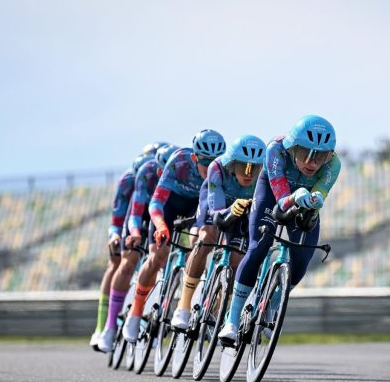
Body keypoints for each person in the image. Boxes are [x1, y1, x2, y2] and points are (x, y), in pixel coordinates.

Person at [218, 115, 341, 342]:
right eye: (306, 154)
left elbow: (320, 193)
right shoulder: (275, 150)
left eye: (320, 156)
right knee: (259, 246)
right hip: (273, 194)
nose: (312, 163)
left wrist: (316, 200)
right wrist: (294, 197)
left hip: (302, 200)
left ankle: (273, 304)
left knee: (302, 258)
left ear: (329, 155)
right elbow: (282, 201)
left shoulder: (334, 165)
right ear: (292, 148)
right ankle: (232, 320)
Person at [121, 130, 226, 343]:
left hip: (195, 206)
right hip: (169, 205)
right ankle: (135, 312)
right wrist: (160, 226)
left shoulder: (221, 169)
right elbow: (156, 202)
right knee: (158, 255)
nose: (210, 167)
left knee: (202, 241)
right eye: (205, 162)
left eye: (214, 161)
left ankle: (192, 299)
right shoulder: (179, 162)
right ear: (195, 158)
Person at [169, 135, 267, 330]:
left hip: (243, 208)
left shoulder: (265, 175)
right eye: (243, 167)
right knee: (206, 238)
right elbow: (216, 215)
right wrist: (230, 211)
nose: (249, 173)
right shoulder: (217, 168)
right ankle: (183, 306)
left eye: (254, 168)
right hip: (216, 203)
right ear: (232, 164)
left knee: (238, 258)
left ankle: (221, 307)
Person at [96, 144, 178, 352]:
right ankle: (108, 326)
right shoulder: (138, 176)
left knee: (163, 258)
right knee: (126, 261)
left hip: (162, 215)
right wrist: (118, 234)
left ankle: (155, 312)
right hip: (138, 216)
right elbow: (124, 215)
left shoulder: (179, 174)